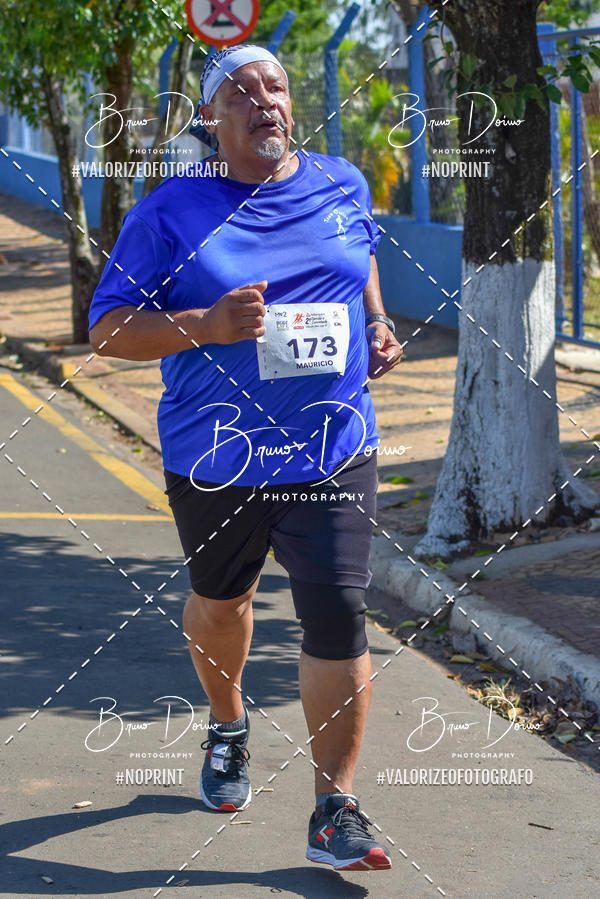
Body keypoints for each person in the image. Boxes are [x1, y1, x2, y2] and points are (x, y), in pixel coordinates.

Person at [88, 44, 403, 872]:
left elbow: (360, 249)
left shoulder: (340, 181)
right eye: (242, 91)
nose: (265, 100)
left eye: (276, 87)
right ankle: (228, 726)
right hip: (217, 451)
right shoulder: (170, 211)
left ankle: (334, 806)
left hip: (333, 444)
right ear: (211, 118)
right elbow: (109, 329)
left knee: (337, 611)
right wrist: (206, 323)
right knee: (221, 604)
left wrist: (375, 319)